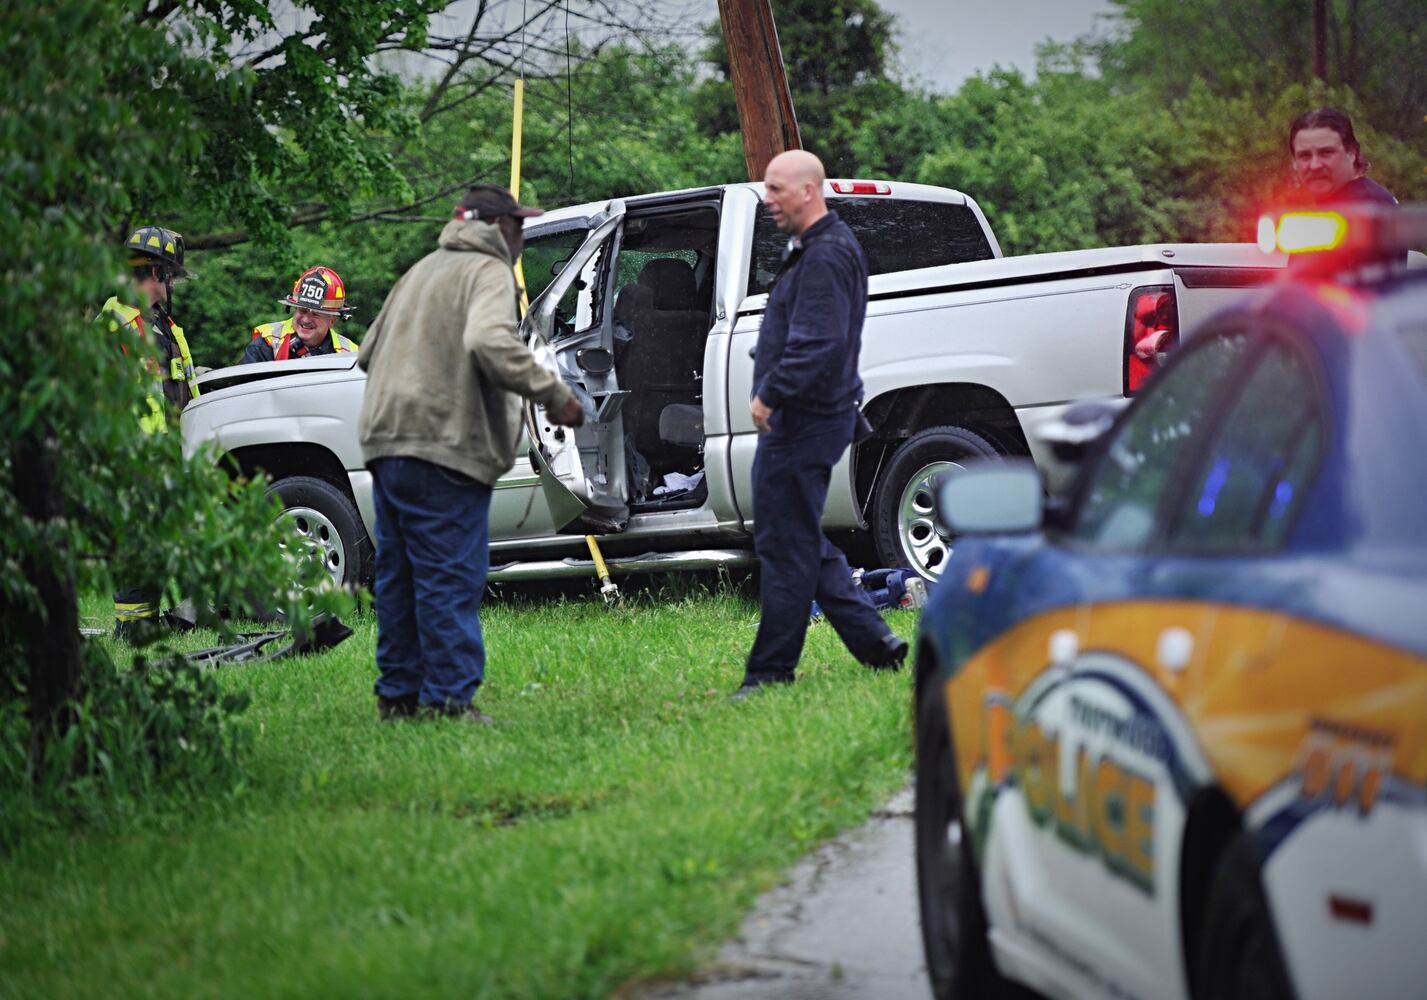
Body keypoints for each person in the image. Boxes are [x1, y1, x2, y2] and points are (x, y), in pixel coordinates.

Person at [357, 184, 584, 724]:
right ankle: (450, 700)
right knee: (448, 574)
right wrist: (556, 395)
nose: (523, 236)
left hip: (387, 444)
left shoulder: (421, 270)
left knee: (401, 575)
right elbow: (488, 342)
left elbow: (367, 352)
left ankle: (398, 697)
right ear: (495, 227)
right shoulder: (487, 272)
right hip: (444, 446)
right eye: (519, 225)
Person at [734, 150, 908, 699]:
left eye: (776, 189)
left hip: (803, 419)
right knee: (793, 536)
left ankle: (770, 673)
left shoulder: (827, 254)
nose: (768, 200)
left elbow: (819, 343)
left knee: (784, 541)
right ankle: (875, 641)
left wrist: (769, 394)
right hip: (808, 417)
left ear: (809, 191)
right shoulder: (813, 248)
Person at [98, 225, 201, 635]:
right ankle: (134, 627)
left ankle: (158, 619)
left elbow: (186, 390)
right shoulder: (115, 328)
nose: (173, 283)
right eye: (171, 275)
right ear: (157, 274)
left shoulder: (168, 329)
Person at [241, 266, 359, 363]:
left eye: (316, 314)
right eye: (302, 310)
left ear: (332, 320)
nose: (306, 319)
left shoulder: (350, 355)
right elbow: (243, 388)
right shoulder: (268, 343)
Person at [1289, 107, 1397, 207]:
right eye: (1304, 156)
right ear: (1294, 161)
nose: (1315, 165)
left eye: (1326, 153)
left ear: (1352, 153)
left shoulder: (1368, 206)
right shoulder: (1333, 203)